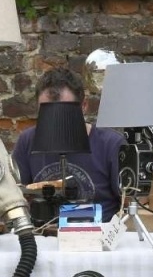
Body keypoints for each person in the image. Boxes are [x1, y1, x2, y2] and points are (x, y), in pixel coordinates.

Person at [12, 66, 125, 220]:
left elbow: (129, 203)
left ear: (84, 106)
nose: (56, 120)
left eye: (64, 111)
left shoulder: (110, 144)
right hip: (43, 234)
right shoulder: (28, 140)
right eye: (47, 112)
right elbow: (15, 197)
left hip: (97, 234)